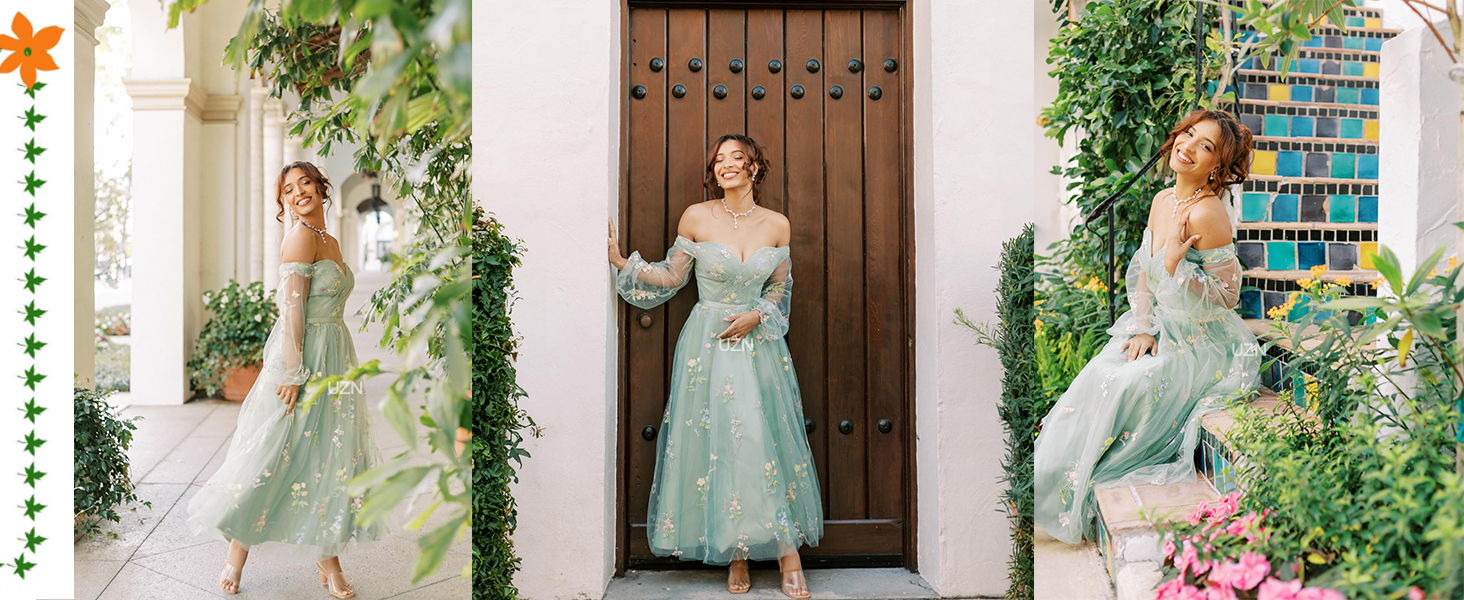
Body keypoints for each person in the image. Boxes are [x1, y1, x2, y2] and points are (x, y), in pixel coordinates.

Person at [1034, 110, 1263, 544]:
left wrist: (1178, 266)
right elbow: (1143, 271)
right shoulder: (1162, 201)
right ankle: (1045, 485)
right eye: (1189, 134)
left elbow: (1228, 296)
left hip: (1203, 338)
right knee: (1102, 371)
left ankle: (1066, 485)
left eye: (1206, 146)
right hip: (1161, 325)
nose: (1188, 146)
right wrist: (1142, 327)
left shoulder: (1208, 213)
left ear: (1217, 165)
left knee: (1134, 379)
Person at [608, 134, 821, 598]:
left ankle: (789, 554)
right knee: (723, 441)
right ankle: (735, 553)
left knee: (762, 440)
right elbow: (671, 275)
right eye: (719, 159)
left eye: (735, 158)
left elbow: (778, 293)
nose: (726, 165)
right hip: (708, 344)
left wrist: (757, 315)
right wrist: (623, 262)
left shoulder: (777, 225)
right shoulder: (697, 216)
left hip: (759, 346)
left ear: (754, 168)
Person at [187, 161, 391, 598]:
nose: (299, 192)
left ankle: (326, 562)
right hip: (305, 357)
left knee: (323, 458)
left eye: (306, 183)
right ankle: (235, 559)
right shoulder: (299, 236)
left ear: (321, 188)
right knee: (278, 451)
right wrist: (294, 373)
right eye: (288, 189)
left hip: (335, 353)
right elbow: (292, 309)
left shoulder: (329, 240)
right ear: (282, 202)